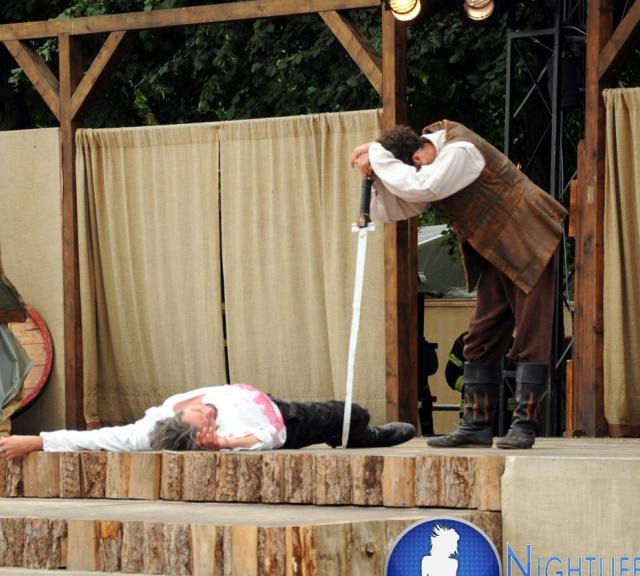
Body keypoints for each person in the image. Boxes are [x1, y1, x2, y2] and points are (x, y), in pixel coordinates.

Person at [350, 121, 566, 449]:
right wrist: (378, 175)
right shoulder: (433, 164)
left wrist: (377, 152)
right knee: (480, 338)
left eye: (414, 167)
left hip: (531, 238)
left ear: (418, 157)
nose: (417, 172)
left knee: (530, 336)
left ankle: (524, 425)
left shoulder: (460, 151)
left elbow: (421, 188)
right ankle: (477, 425)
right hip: (497, 250)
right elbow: (400, 206)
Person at [0, 383, 415, 460]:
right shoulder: (221, 435)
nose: (210, 411)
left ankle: (350, 431)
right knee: (352, 413)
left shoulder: (152, 423)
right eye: (208, 420)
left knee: (342, 414)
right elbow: (269, 438)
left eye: (203, 413)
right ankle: (365, 435)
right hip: (286, 420)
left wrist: (35, 440)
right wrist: (228, 444)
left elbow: (98, 437)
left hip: (262, 396)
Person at [445, 331, 516, 436]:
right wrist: (470, 388)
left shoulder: (510, 342)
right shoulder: (464, 341)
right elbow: (451, 374)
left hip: (506, 414)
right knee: (474, 441)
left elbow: (520, 375)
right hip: (473, 409)